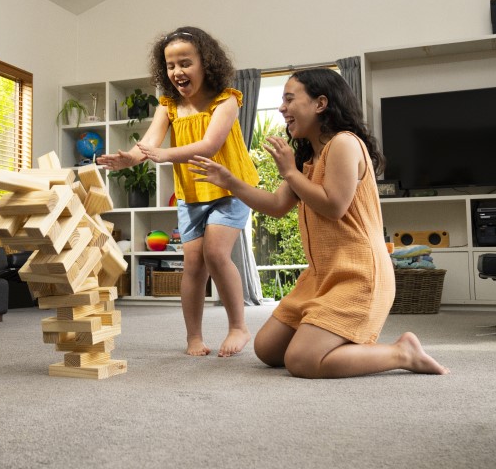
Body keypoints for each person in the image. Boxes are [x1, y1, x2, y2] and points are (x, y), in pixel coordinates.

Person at [189, 69, 449, 378]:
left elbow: (334, 206)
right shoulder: (307, 158)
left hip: (359, 277)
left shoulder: (344, 144)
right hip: (320, 278)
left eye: (289, 99)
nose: (282, 109)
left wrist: (289, 173)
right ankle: (332, 339)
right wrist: (231, 182)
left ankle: (402, 352)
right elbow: (275, 206)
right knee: (268, 350)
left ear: (320, 103)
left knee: (302, 361)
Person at [97, 26, 259, 357]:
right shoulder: (169, 105)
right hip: (191, 194)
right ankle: (194, 338)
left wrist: (163, 156)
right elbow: (150, 144)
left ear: (206, 63)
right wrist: (129, 158)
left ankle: (239, 327)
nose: (177, 72)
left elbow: (210, 144)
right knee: (193, 263)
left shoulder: (225, 99)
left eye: (185, 63)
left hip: (230, 186)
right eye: (171, 66)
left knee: (216, 253)